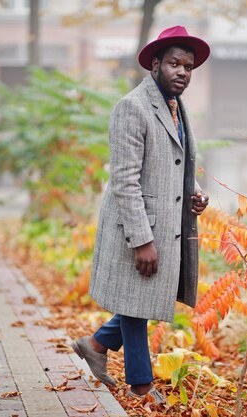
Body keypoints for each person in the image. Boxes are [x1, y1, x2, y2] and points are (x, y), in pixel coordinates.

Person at [71, 25, 210, 404]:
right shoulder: (131, 107)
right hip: (136, 226)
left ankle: (95, 346)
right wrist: (142, 240)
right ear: (155, 65)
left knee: (140, 300)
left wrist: (195, 194)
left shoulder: (178, 108)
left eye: (189, 66)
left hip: (166, 224)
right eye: (174, 64)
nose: (182, 72)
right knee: (137, 304)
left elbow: (174, 167)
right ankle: (142, 386)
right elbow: (125, 180)